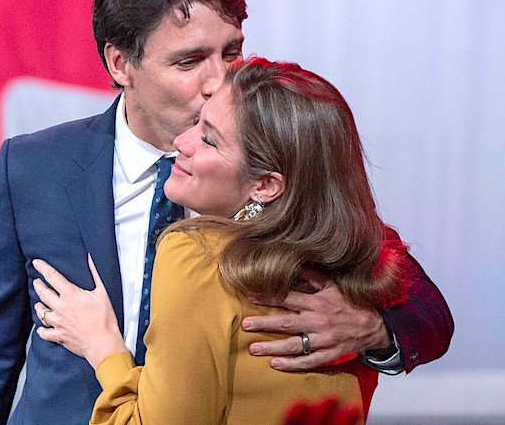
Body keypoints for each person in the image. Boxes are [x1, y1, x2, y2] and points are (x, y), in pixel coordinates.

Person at [0, 0, 453, 425]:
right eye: (189, 61)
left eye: (230, 51)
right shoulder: (36, 167)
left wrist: (376, 331)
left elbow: (423, 306)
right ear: (120, 63)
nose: (219, 81)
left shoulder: (277, 158)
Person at [31, 57, 418, 424]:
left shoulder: (196, 257)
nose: (182, 142)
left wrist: (104, 348)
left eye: (210, 141)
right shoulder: (364, 261)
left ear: (265, 185)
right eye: (198, 122)